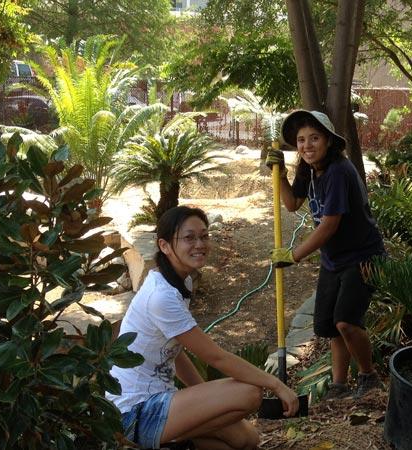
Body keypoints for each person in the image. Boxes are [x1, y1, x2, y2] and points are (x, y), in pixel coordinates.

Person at [108, 206, 299, 450]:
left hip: (159, 403)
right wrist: (276, 384)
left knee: (245, 440)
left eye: (204, 236)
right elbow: (215, 356)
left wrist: (205, 401)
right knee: (249, 393)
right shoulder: (161, 296)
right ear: (165, 246)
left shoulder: (180, 280)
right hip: (135, 414)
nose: (200, 244)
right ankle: (161, 442)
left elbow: (175, 352)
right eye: (189, 238)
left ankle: (174, 442)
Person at [265, 110, 387, 401]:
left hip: (363, 257)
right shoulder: (309, 170)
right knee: (330, 326)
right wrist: (280, 175)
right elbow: (293, 203)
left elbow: (330, 224)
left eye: (314, 138)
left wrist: (293, 255)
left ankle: (369, 377)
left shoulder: (338, 172)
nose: (307, 145)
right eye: (301, 140)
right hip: (334, 260)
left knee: (346, 321)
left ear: (329, 141)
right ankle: (339, 385)